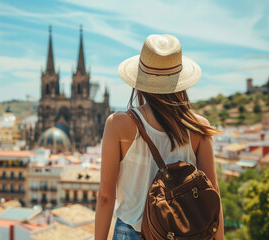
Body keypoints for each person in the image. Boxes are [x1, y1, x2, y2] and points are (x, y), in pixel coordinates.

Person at [94, 34, 224, 240]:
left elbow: (105, 197)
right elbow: (213, 195)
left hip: (131, 233)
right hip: (183, 234)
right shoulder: (199, 128)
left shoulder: (118, 124)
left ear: (140, 79)